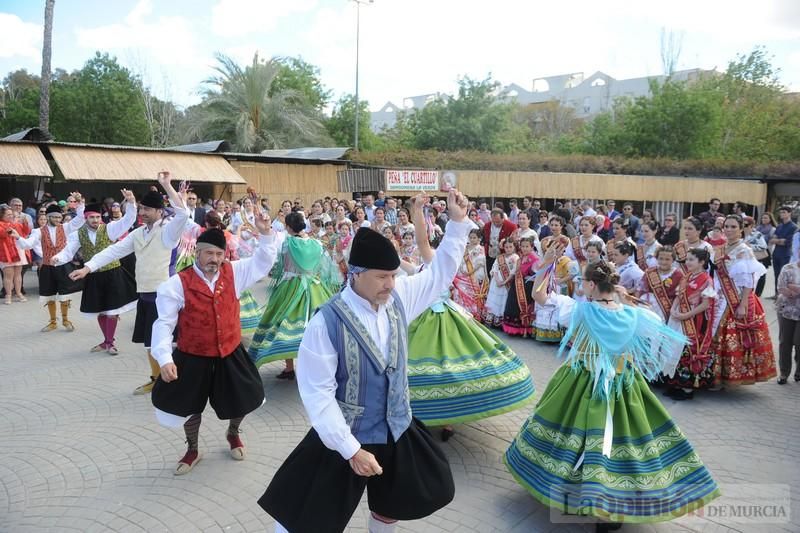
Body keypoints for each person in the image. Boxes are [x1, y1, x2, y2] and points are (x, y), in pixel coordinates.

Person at [258, 188, 471, 533]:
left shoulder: (398, 297)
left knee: (393, 504)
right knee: (306, 518)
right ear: (355, 273)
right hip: (345, 432)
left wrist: (458, 225)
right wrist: (350, 449)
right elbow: (317, 395)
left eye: (393, 276)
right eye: (381, 277)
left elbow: (439, 275)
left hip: (396, 427)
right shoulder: (325, 323)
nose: (391, 283)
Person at [504, 247, 720, 529]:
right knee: (623, 442)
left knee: (575, 437)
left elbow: (539, 297)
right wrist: (624, 299)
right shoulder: (634, 315)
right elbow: (655, 327)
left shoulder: (579, 311)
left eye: (584, 282)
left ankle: (575, 493)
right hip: (623, 384)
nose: (582, 287)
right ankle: (614, 503)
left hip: (580, 381)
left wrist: (545, 266)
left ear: (592, 285)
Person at [150, 218, 279, 475]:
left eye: (220, 254)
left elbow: (263, 262)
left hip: (229, 352)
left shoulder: (235, 272)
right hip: (192, 355)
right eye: (209, 252)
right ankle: (193, 449)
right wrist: (164, 358)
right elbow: (163, 324)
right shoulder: (177, 284)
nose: (215, 259)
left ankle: (233, 433)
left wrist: (266, 235)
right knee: (189, 407)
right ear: (197, 252)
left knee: (243, 397)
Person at [405, 195, 535, 442]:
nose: (424, 249)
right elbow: (408, 262)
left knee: (442, 367)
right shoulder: (423, 266)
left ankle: (444, 417)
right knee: (446, 368)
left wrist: (417, 211)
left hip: (436, 319)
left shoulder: (438, 261)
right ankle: (437, 415)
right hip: (431, 316)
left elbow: (421, 240)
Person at [69, 173, 190, 395]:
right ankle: (156, 379)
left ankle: (174, 381)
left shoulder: (168, 231)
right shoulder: (138, 233)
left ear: (159, 211)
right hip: (144, 295)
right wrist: (88, 267)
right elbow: (113, 250)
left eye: (146, 210)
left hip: (164, 295)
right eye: (141, 209)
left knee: (166, 342)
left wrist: (166, 185)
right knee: (149, 342)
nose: (142, 213)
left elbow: (183, 213)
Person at [248, 212, 341, 379]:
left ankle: (289, 367)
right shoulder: (316, 244)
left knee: (281, 321)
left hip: (290, 287)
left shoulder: (285, 242)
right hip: (315, 287)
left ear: (289, 227)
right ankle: (317, 367)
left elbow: (272, 256)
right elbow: (326, 266)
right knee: (319, 326)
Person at [50, 193, 139, 355]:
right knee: (99, 310)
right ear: (86, 218)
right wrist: (58, 258)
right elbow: (68, 252)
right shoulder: (79, 234)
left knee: (112, 311)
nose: (96, 220)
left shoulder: (110, 229)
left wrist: (132, 203)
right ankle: (106, 341)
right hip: (93, 276)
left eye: (98, 217)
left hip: (113, 273)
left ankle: (110, 342)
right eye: (92, 217)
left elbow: (128, 220)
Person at [712, 215, 777, 386]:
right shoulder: (721, 248)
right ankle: (717, 375)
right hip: (720, 297)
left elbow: (749, 280)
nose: (729, 229)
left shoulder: (744, 249)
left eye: (734, 226)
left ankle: (731, 377)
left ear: (741, 229)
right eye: (727, 226)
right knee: (717, 336)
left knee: (734, 339)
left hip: (738, 298)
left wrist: (743, 304)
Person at [14, 195, 86, 331]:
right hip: (47, 267)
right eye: (54, 217)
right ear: (48, 217)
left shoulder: (65, 228)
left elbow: (80, 219)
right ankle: (53, 322)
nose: (58, 220)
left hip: (64, 266)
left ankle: (65, 320)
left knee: (65, 295)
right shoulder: (38, 231)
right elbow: (28, 244)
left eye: (59, 217)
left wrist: (81, 204)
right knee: (49, 295)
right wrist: (18, 237)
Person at [665, 248, 717, 400]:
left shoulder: (706, 280)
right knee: (674, 349)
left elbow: (706, 304)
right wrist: (674, 309)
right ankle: (674, 384)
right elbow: (677, 296)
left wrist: (686, 315)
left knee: (687, 351)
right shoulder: (686, 277)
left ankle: (687, 389)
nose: (687, 262)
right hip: (679, 317)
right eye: (687, 259)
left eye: (691, 260)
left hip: (694, 321)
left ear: (701, 262)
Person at [502, 237, 539, 336]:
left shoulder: (535, 259)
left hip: (527, 286)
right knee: (513, 305)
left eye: (527, 246)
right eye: (522, 246)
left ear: (532, 247)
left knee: (523, 307)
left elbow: (537, 276)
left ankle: (524, 329)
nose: (524, 248)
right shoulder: (521, 257)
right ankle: (514, 328)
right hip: (518, 285)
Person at [636, 246, 683, 324]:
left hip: (665, 308)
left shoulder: (678, 275)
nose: (663, 262)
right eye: (661, 258)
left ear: (673, 260)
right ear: (656, 259)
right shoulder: (650, 272)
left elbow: (680, 295)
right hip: (647, 305)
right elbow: (640, 289)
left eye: (667, 259)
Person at [451, 228, 487, 320]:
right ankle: (460, 313)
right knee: (459, 293)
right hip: (461, 275)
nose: (472, 239)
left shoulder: (480, 249)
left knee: (472, 295)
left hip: (473, 275)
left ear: (479, 238)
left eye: (474, 237)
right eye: (470, 237)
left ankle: (473, 314)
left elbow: (480, 263)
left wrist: (469, 272)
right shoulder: (464, 247)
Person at [483, 238, 518, 328]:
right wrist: (497, 280)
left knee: (503, 300)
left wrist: (504, 282)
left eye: (510, 247)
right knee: (494, 299)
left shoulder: (516, 258)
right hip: (496, 281)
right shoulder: (500, 257)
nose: (508, 249)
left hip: (506, 283)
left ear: (514, 247)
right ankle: (491, 319)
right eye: (506, 247)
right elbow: (494, 268)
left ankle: (500, 321)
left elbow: (513, 272)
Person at [776, 254, 800, 384]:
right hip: (787, 311)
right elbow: (781, 287)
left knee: (798, 342)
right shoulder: (788, 268)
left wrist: (795, 287)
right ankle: (784, 373)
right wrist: (792, 291)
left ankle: (799, 372)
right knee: (785, 342)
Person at [0, 205, 29, 304]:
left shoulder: (15, 223)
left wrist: (25, 222)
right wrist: (12, 225)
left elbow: (25, 231)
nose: (11, 216)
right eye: (8, 214)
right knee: (8, 275)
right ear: (2, 215)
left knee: (18, 274)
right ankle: (8, 295)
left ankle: (19, 292)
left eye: (11, 214)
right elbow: (3, 233)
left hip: (17, 251)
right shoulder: (2, 224)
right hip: (5, 252)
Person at [743, 216, 769, 298]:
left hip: (755, 261)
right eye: (742, 224)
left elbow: (763, 246)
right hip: (742, 263)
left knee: (755, 284)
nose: (743, 226)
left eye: (745, 225)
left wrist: (749, 246)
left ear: (751, 225)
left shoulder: (757, 234)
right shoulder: (739, 234)